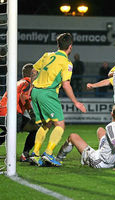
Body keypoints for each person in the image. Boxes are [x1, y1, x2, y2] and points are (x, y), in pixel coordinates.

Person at [30, 33, 87, 167]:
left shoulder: (47, 55)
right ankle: (48, 153)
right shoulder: (66, 63)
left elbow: (33, 70)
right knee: (60, 125)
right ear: (70, 47)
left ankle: (35, 153)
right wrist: (76, 102)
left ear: (58, 45)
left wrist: (31, 86)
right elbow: (66, 84)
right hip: (47, 93)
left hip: (36, 92)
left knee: (46, 124)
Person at [56, 104, 115, 170]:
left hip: (99, 162)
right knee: (100, 130)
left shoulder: (110, 127)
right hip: (113, 159)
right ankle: (104, 150)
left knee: (73, 136)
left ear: (111, 114)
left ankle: (58, 159)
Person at [0, 63, 39, 162]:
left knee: (8, 133)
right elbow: (23, 98)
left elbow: (22, 99)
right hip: (10, 114)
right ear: (32, 74)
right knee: (35, 128)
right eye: (36, 74)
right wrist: (33, 115)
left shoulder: (19, 82)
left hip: (2, 112)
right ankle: (25, 155)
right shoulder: (28, 83)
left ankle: (25, 155)